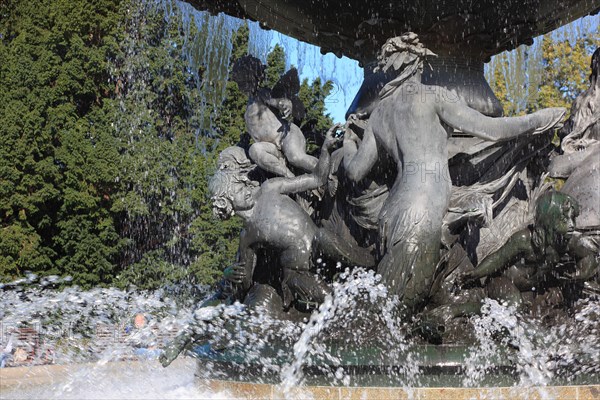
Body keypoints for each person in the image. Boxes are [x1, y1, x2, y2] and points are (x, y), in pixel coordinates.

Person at [342, 33, 566, 314]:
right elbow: (492, 130)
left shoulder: (379, 113)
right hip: (421, 211)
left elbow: (354, 172)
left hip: (392, 211)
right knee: (395, 311)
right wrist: (540, 119)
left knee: (398, 305)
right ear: (417, 64)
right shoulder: (433, 96)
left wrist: (347, 145)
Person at [210, 125, 374, 309]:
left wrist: (326, 149)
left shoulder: (270, 188)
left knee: (331, 241)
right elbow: (246, 283)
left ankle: (372, 262)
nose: (247, 189)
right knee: (333, 301)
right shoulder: (247, 237)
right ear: (226, 204)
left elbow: (317, 179)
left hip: (321, 246)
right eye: (239, 190)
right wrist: (228, 273)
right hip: (297, 274)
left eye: (245, 184)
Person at [231, 56, 317, 178]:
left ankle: (327, 172)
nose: (241, 85)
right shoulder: (248, 109)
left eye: (244, 81)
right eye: (240, 83)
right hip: (270, 146)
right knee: (254, 150)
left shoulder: (261, 93)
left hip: (285, 134)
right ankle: (289, 177)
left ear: (254, 79)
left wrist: (284, 104)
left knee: (296, 157)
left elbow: (274, 101)